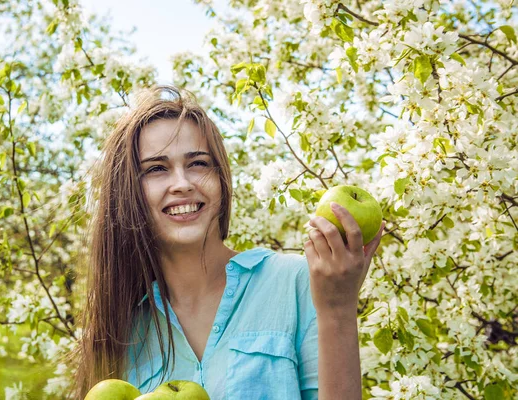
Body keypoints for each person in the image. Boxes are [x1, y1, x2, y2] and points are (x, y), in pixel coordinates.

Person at [68, 85, 385, 399]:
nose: (182, 183)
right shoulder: (122, 330)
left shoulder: (298, 282)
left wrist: (338, 307)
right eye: (156, 169)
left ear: (222, 180)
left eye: (198, 163)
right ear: (128, 193)